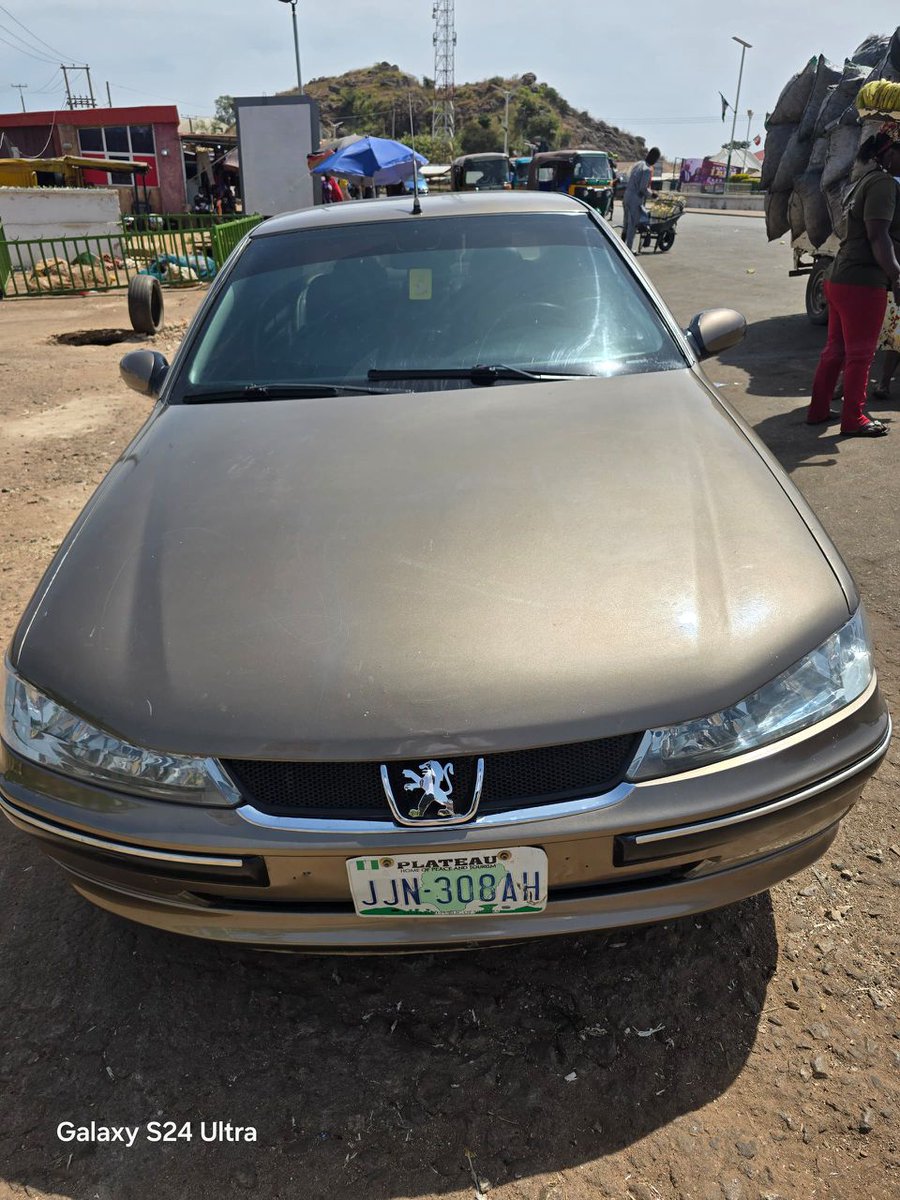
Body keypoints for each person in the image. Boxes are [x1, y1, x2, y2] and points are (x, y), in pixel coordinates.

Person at [807, 122, 900, 437]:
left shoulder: (863, 181)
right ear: (887, 154)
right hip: (862, 281)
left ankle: (819, 410)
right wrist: (896, 275)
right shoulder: (883, 184)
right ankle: (854, 418)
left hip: (838, 278)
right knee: (861, 354)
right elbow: (878, 236)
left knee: (836, 349)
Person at [622, 147, 660, 251]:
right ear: (654, 158)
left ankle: (620, 247)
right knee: (632, 225)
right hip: (635, 198)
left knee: (625, 223)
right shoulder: (647, 169)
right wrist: (653, 195)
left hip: (626, 195)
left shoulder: (638, 164)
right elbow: (643, 188)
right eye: (656, 159)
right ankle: (628, 250)